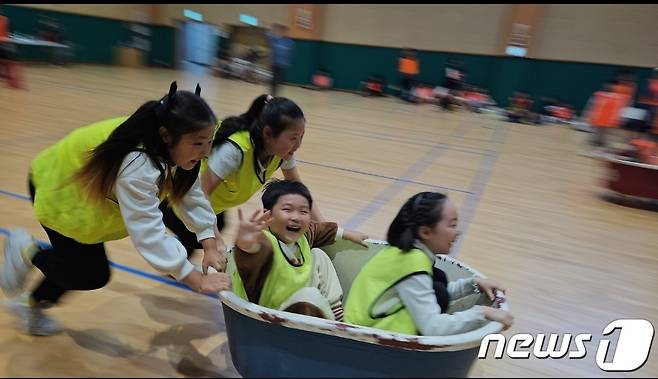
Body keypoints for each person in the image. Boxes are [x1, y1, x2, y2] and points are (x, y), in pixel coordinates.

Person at [0, 82, 231, 336]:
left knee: (82, 267)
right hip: (60, 191)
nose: (206, 151)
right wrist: (194, 279)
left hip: (88, 200)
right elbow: (149, 233)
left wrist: (209, 241)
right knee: (89, 272)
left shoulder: (171, 142)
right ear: (166, 136)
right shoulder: (139, 164)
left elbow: (189, 191)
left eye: (209, 141)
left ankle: (32, 303)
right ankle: (25, 249)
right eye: (199, 143)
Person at [159, 94, 325, 259]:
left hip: (211, 207)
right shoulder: (234, 151)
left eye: (301, 137)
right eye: (293, 138)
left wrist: (324, 228)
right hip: (180, 199)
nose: (297, 145)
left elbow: (301, 193)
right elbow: (202, 193)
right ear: (268, 133)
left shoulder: (282, 152)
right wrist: (215, 242)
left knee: (215, 227)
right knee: (193, 240)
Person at [344, 192, 513, 336]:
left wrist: (473, 284)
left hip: (364, 322)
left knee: (438, 281)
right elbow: (433, 327)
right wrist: (482, 313)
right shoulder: (412, 262)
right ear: (425, 232)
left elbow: (424, 293)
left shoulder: (407, 252)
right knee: (438, 289)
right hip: (367, 336)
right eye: (452, 225)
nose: (458, 232)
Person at [230, 179, 368, 320]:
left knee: (318, 254)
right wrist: (244, 243)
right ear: (268, 215)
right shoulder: (265, 242)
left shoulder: (303, 235)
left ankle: (336, 312)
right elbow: (251, 253)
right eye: (287, 209)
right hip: (268, 317)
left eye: (303, 211)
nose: (296, 217)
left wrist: (346, 234)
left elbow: (318, 229)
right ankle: (336, 330)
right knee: (310, 295)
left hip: (298, 306)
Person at [266, 24, 294, 96]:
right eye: (284, 31)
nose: (285, 33)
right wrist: (272, 30)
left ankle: (275, 95)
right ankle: (271, 95)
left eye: (286, 32)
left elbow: (287, 49)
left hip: (282, 65)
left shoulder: (289, 42)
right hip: (274, 64)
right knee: (273, 81)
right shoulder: (276, 40)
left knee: (278, 82)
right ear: (281, 32)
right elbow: (268, 36)